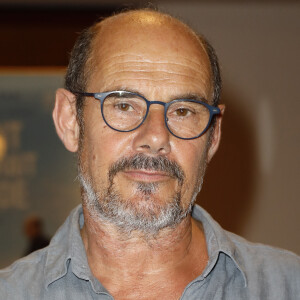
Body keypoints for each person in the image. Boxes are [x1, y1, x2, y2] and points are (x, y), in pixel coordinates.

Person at [0, 9, 299, 300]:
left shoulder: (288, 286)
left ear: (213, 135)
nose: (156, 137)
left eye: (183, 111)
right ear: (70, 121)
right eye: (124, 105)